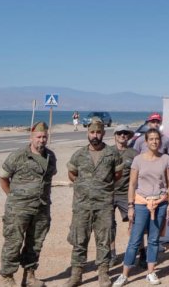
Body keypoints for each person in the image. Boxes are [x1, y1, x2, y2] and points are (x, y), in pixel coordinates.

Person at [0, 122, 58, 287]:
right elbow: (3, 177)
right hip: (18, 209)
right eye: (38, 137)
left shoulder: (50, 156)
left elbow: (50, 177)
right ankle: (7, 277)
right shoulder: (18, 156)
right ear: (31, 137)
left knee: (35, 243)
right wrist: (13, 197)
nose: (42, 140)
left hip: (42, 208)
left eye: (44, 137)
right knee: (13, 242)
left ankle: (29, 276)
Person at [65, 118, 123, 287]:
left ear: (103, 133)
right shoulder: (79, 154)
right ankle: (76, 275)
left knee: (104, 240)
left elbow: (117, 175)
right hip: (82, 205)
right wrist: (84, 187)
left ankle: (103, 274)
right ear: (87, 133)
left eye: (98, 132)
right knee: (79, 240)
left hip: (104, 205)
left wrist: (100, 187)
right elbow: (72, 174)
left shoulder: (112, 154)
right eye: (92, 132)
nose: (95, 135)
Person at [115, 128, 169, 286]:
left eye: (157, 139)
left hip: (160, 203)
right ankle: (124, 274)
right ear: (146, 142)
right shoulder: (138, 159)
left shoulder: (165, 158)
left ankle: (150, 272)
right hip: (141, 203)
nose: (154, 142)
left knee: (154, 240)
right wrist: (130, 205)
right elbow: (132, 184)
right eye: (151, 139)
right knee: (135, 239)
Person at [110, 126, 137, 263]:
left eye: (125, 133)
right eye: (119, 133)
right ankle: (112, 254)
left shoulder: (134, 154)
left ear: (129, 136)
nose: (122, 135)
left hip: (126, 194)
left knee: (136, 223)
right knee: (108, 225)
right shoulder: (107, 151)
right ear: (115, 135)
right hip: (108, 193)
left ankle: (139, 252)